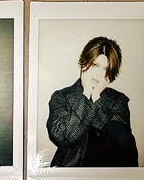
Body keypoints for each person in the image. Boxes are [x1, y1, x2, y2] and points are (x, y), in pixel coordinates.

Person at [46, 37, 138, 167]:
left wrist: (96, 98)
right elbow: (62, 137)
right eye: (95, 65)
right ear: (84, 62)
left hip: (108, 173)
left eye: (106, 69)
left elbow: (122, 146)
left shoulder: (118, 101)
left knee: (117, 129)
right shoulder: (62, 97)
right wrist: (86, 94)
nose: (100, 74)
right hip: (71, 172)